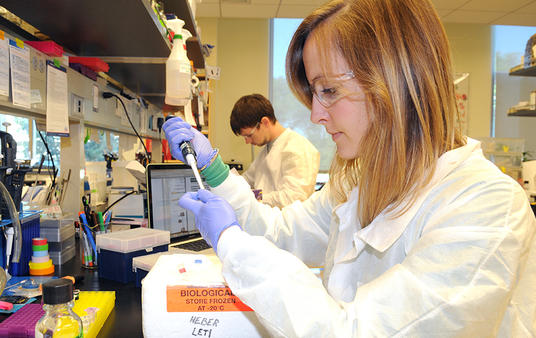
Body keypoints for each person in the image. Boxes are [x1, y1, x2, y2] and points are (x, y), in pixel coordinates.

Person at [162, 0, 536, 335]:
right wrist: (214, 171)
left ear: (396, 82)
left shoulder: (486, 207)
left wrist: (232, 244)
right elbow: (279, 233)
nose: (314, 114)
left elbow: (356, 331)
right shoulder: (361, 182)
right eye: (313, 93)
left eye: (328, 91)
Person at [229, 93, 320, 208]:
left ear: (265, 122)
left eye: (249, 135)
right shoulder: (268, 149)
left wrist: (253, 196)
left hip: (286, 223)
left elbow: (293, 198)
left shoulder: (298, 148)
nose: (247, 142)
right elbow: (247, 179)